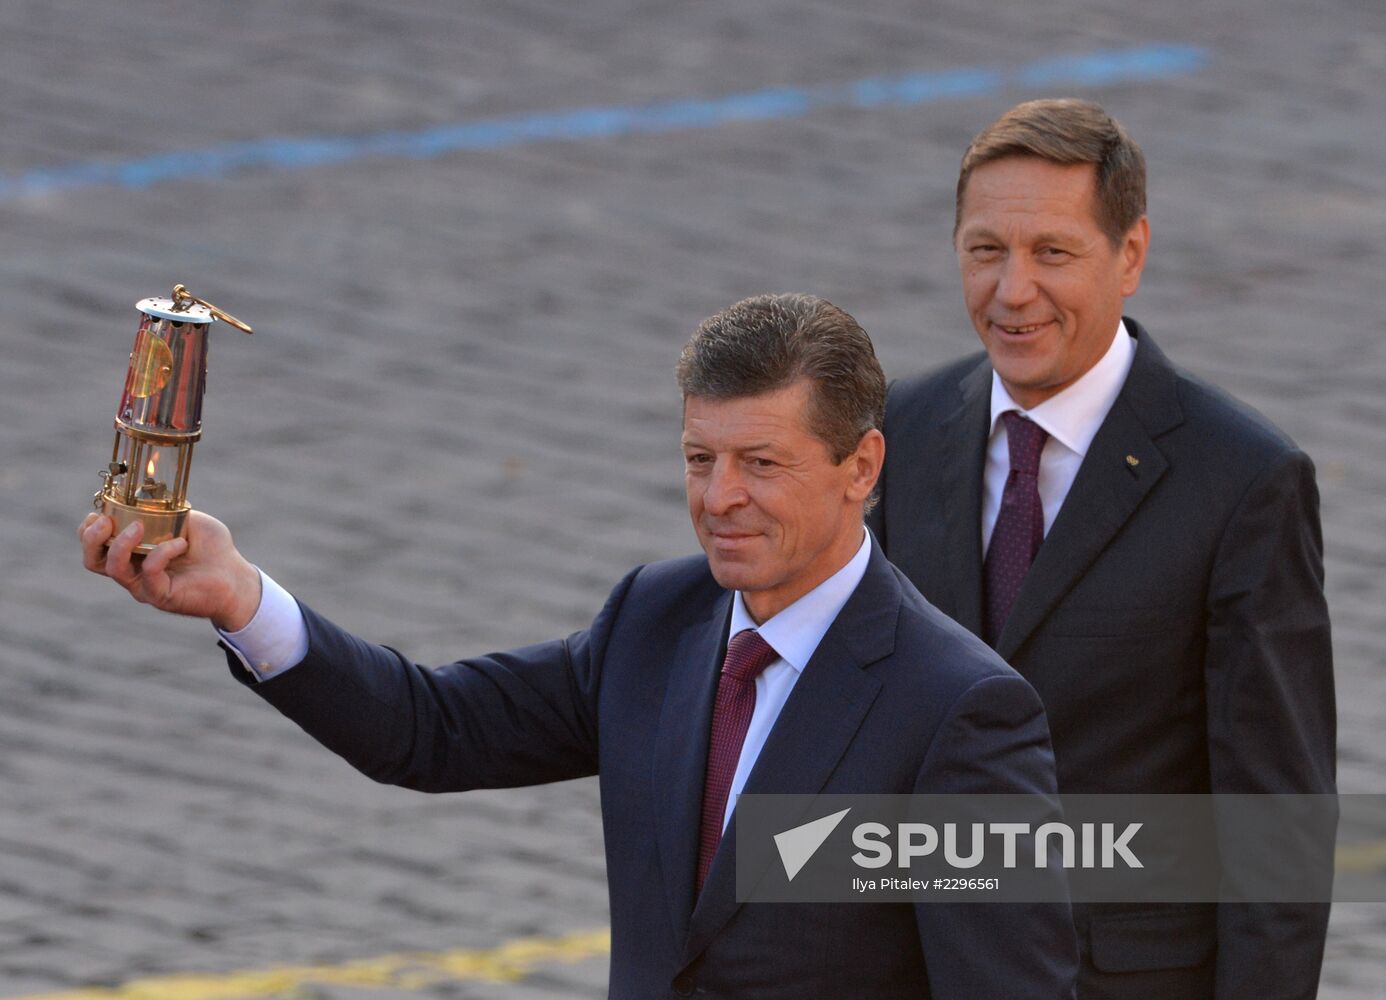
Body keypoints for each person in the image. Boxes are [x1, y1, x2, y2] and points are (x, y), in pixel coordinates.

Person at [82, 293, 1078, 999]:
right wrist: (239, 598)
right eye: (701, 458)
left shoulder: (959, 711)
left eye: (761, 463)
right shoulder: (658, 620)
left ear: (862, 464)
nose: (720, 496)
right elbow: (433, 730)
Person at [868, 99, 1337, 998]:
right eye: (985, 251)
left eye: (1053, 252)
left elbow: (1278, 825)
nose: (1012, 291)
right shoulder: (905, 429)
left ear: (1130, 255)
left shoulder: (1244, 481)